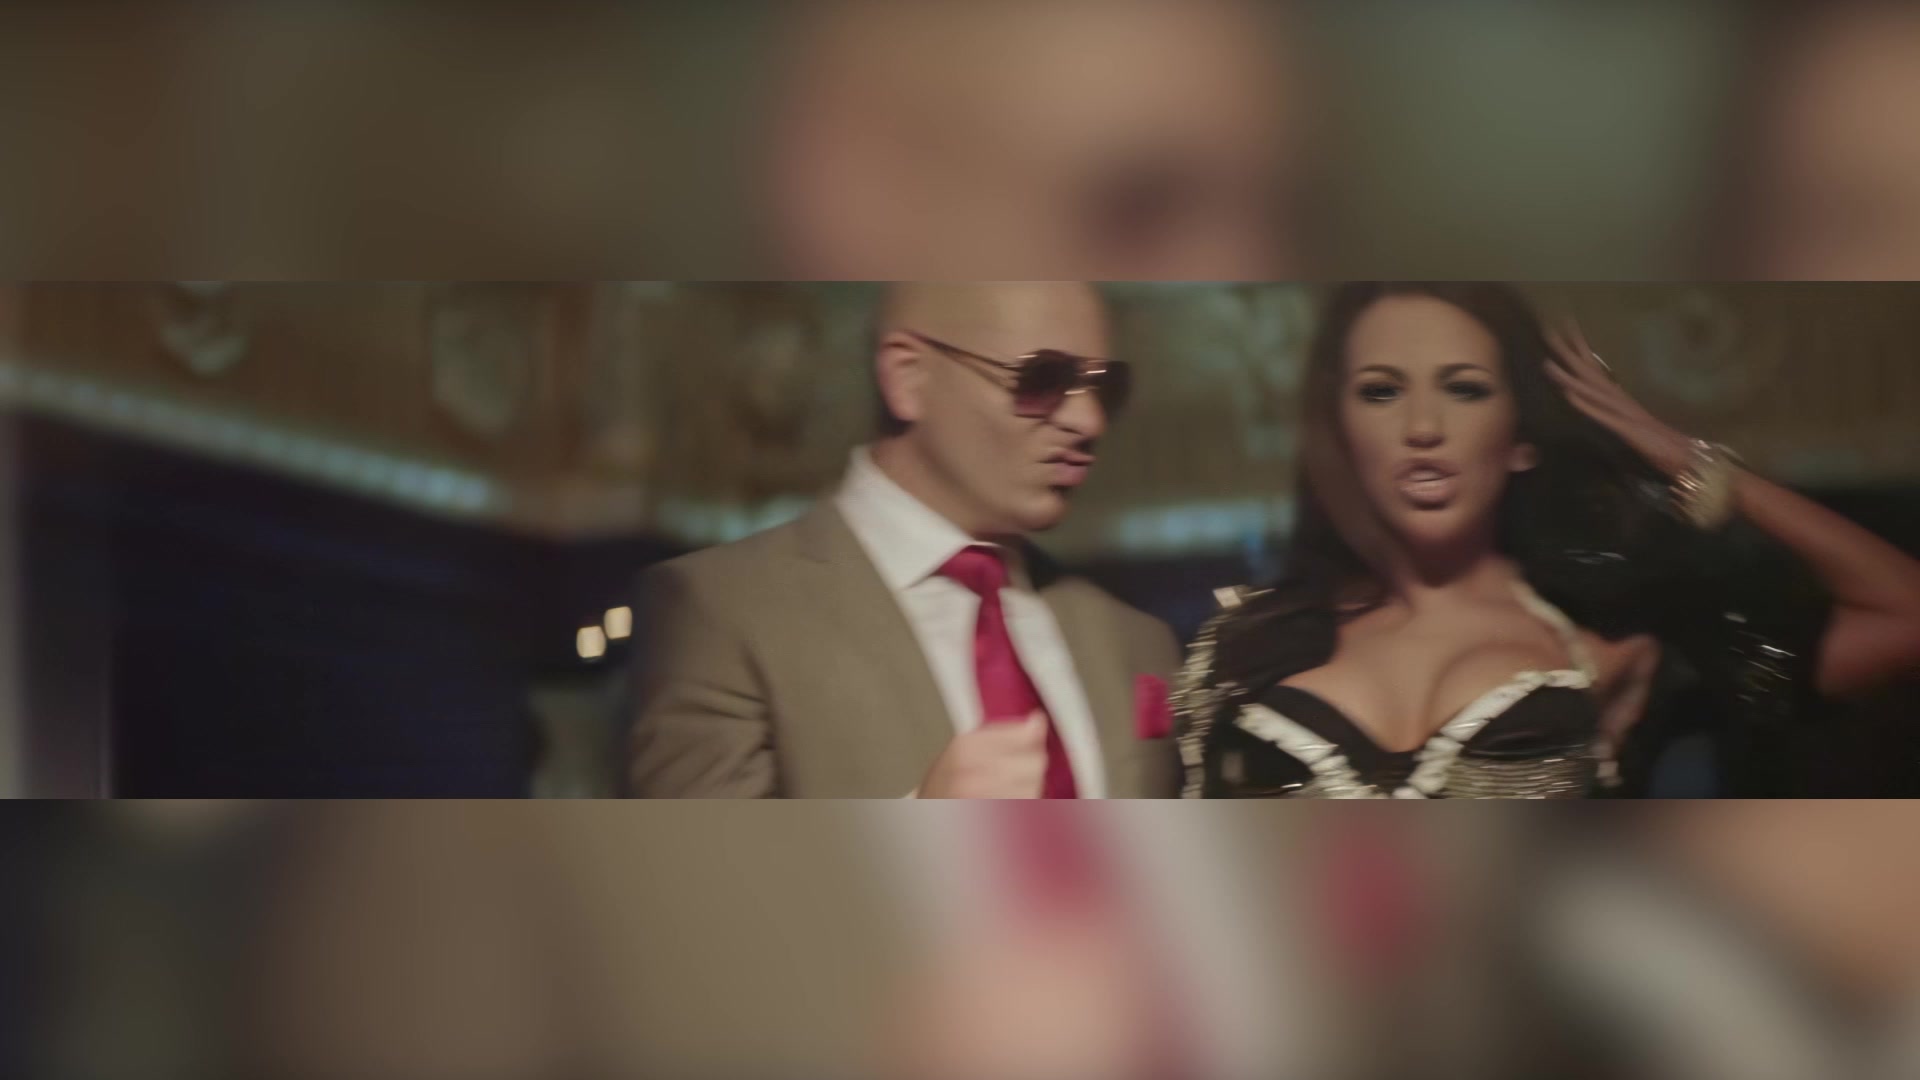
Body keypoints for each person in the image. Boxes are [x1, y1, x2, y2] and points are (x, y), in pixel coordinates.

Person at [1178, 282, 1920, 799]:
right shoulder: (1247, 639)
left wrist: (1681, 454)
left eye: (1465, 388)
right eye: (1381, 391)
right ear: (1341, 430)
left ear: (1521, 438)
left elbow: (1903, 611)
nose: (1423, 427)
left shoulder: (1612, 642)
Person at [629, 282, 1184, 798]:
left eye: (1104, 387)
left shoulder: (1137, 640)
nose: (1088, 420)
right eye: (1043, 379)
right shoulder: (722, 612)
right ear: (908, 376)